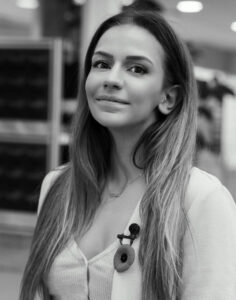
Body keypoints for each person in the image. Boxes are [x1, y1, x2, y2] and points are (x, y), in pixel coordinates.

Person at [20, 9, 236, 300]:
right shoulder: (57, 186)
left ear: (168, 97)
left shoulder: (200, 199)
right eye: (101, 64)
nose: (111, 78)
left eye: (137, 69)